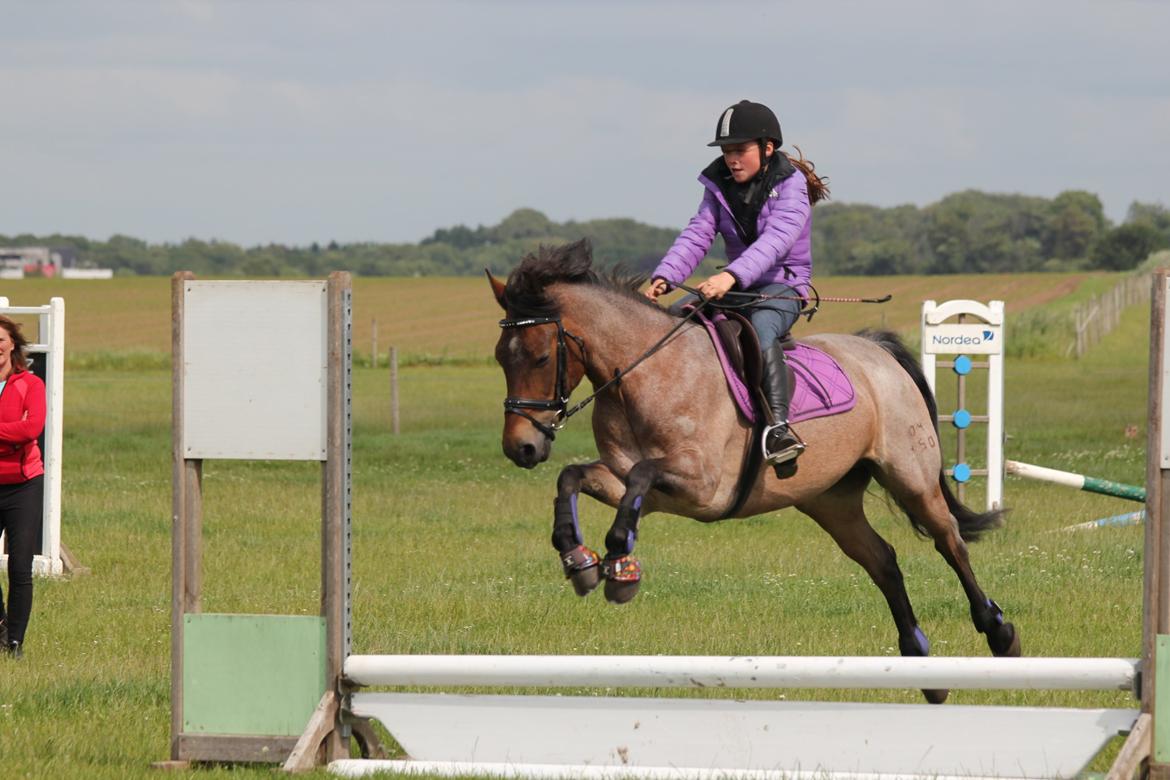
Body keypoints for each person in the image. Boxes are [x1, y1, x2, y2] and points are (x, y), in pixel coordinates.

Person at [645, 99, 829, 471]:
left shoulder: (791, 187)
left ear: (767, 148)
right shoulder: (718, 186)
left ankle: (779, 429)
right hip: (736, 288)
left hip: (783, 287)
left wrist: (730, 276)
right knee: (676, 325)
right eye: (727, 151)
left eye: (739, 150)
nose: (732, 159)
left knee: (760, 333)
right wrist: (666, 275)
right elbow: (698, 234)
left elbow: (775, 242)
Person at [0, 315, 46, 659]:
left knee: (19, 566)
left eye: (0, 340)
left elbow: (31, 431)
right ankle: (2, 626)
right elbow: (17, 429)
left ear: (12, 343)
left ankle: (14, 642)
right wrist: (10, 431)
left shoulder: (31, 384)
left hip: (23, 485)